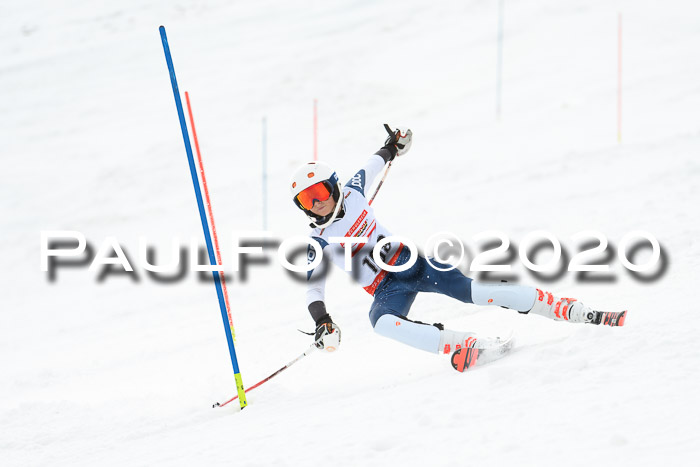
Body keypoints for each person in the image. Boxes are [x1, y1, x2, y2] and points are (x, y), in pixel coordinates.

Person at [289, 125, 626, 362]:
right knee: (381, 323)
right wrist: (323, 321)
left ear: (333, 186)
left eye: (318, 192)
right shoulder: (317, 241)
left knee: (472, 291)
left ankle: (565, 308)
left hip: (411, 265)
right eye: (305, 200)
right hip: (384, 289)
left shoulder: (354, 190)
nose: (315, 203)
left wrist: (395, 144)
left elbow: (376, 160)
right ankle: (463, 345)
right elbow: (312, 291)